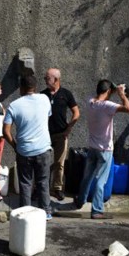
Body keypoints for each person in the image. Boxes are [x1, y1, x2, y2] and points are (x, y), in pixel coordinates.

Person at [73, 80, 129, 219]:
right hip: (105, 150)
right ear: (108, 92)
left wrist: (111, 90)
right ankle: (97, 210)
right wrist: (122, 95)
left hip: (92, 148)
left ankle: (80, 200)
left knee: (87, 177)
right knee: (101, 181)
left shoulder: (90, 102)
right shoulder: (107, 106)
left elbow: (100, 97)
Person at [2, 75, 53, 219]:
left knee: (25, 183)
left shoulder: (14, 105)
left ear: (21, 88)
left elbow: (5, 131)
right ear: (35, 87)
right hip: (43, 149)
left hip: (24, 151)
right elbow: (46, 117)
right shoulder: (45, 99)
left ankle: (25, 213)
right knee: (43, 181)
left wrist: (15, 146)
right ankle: (47, 212)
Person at [41, 68, 80, 201]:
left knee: (59, 163)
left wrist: (68, 129)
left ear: (56, 80)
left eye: (47, 78)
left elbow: (76, 113)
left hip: (61, 134)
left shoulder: (66, 94)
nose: (45, 80)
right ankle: (39, 188)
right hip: (44, 134)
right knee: (41, 163)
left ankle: (57, 189)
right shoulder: (42, 95)